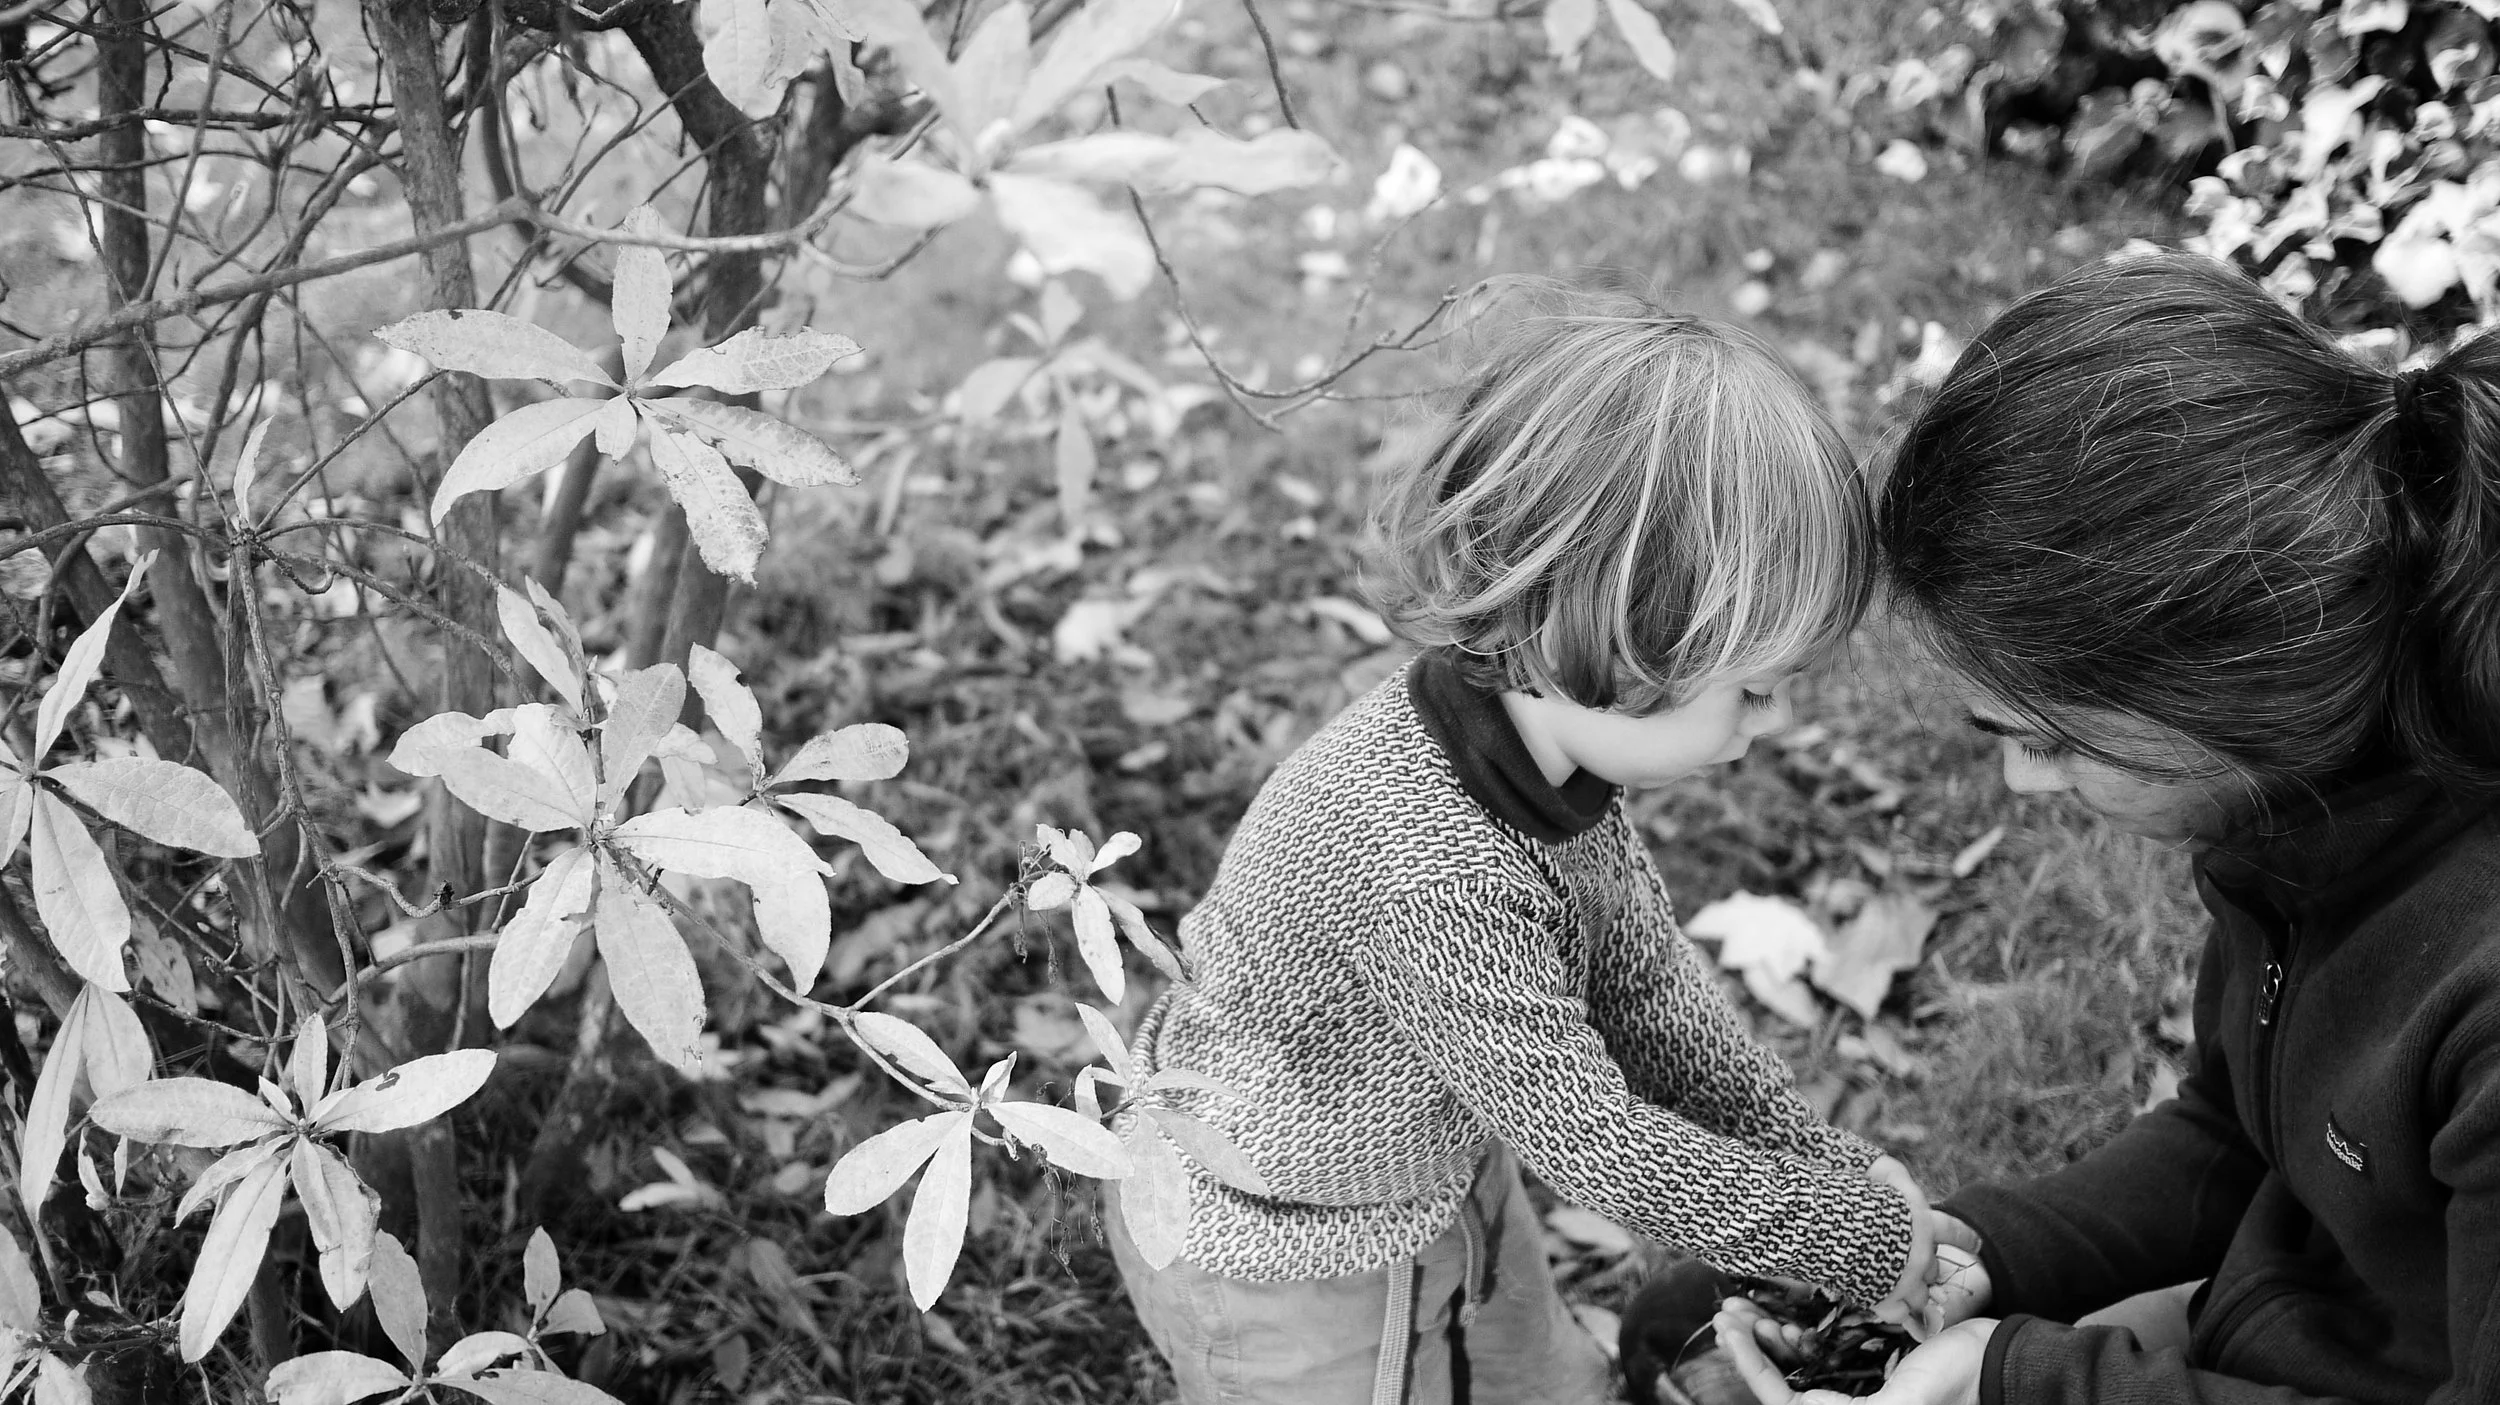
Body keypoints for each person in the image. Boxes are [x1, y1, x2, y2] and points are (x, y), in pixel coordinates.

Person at [1102, 298, 1937, 1405]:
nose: (1772, 721)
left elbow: (1648, 1000)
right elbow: (1593, 1139)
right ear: (1620, 640)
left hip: (1432, 1150)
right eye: (1754, 690)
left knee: (1539, 1376)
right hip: (1287, 1250)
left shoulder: (1546, 756)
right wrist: (1844, 1236)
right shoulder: (1432, 870)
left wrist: (1827, 1165)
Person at [1714, 252, 2500, 1405]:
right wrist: (1975, 1251)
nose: (2023, 783)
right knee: (1698, 1337)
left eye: (2050, 739)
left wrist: (2012, 1383)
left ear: (2223, 687)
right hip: (2269, 1321)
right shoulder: (2306, 805)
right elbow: (2236, 1136)